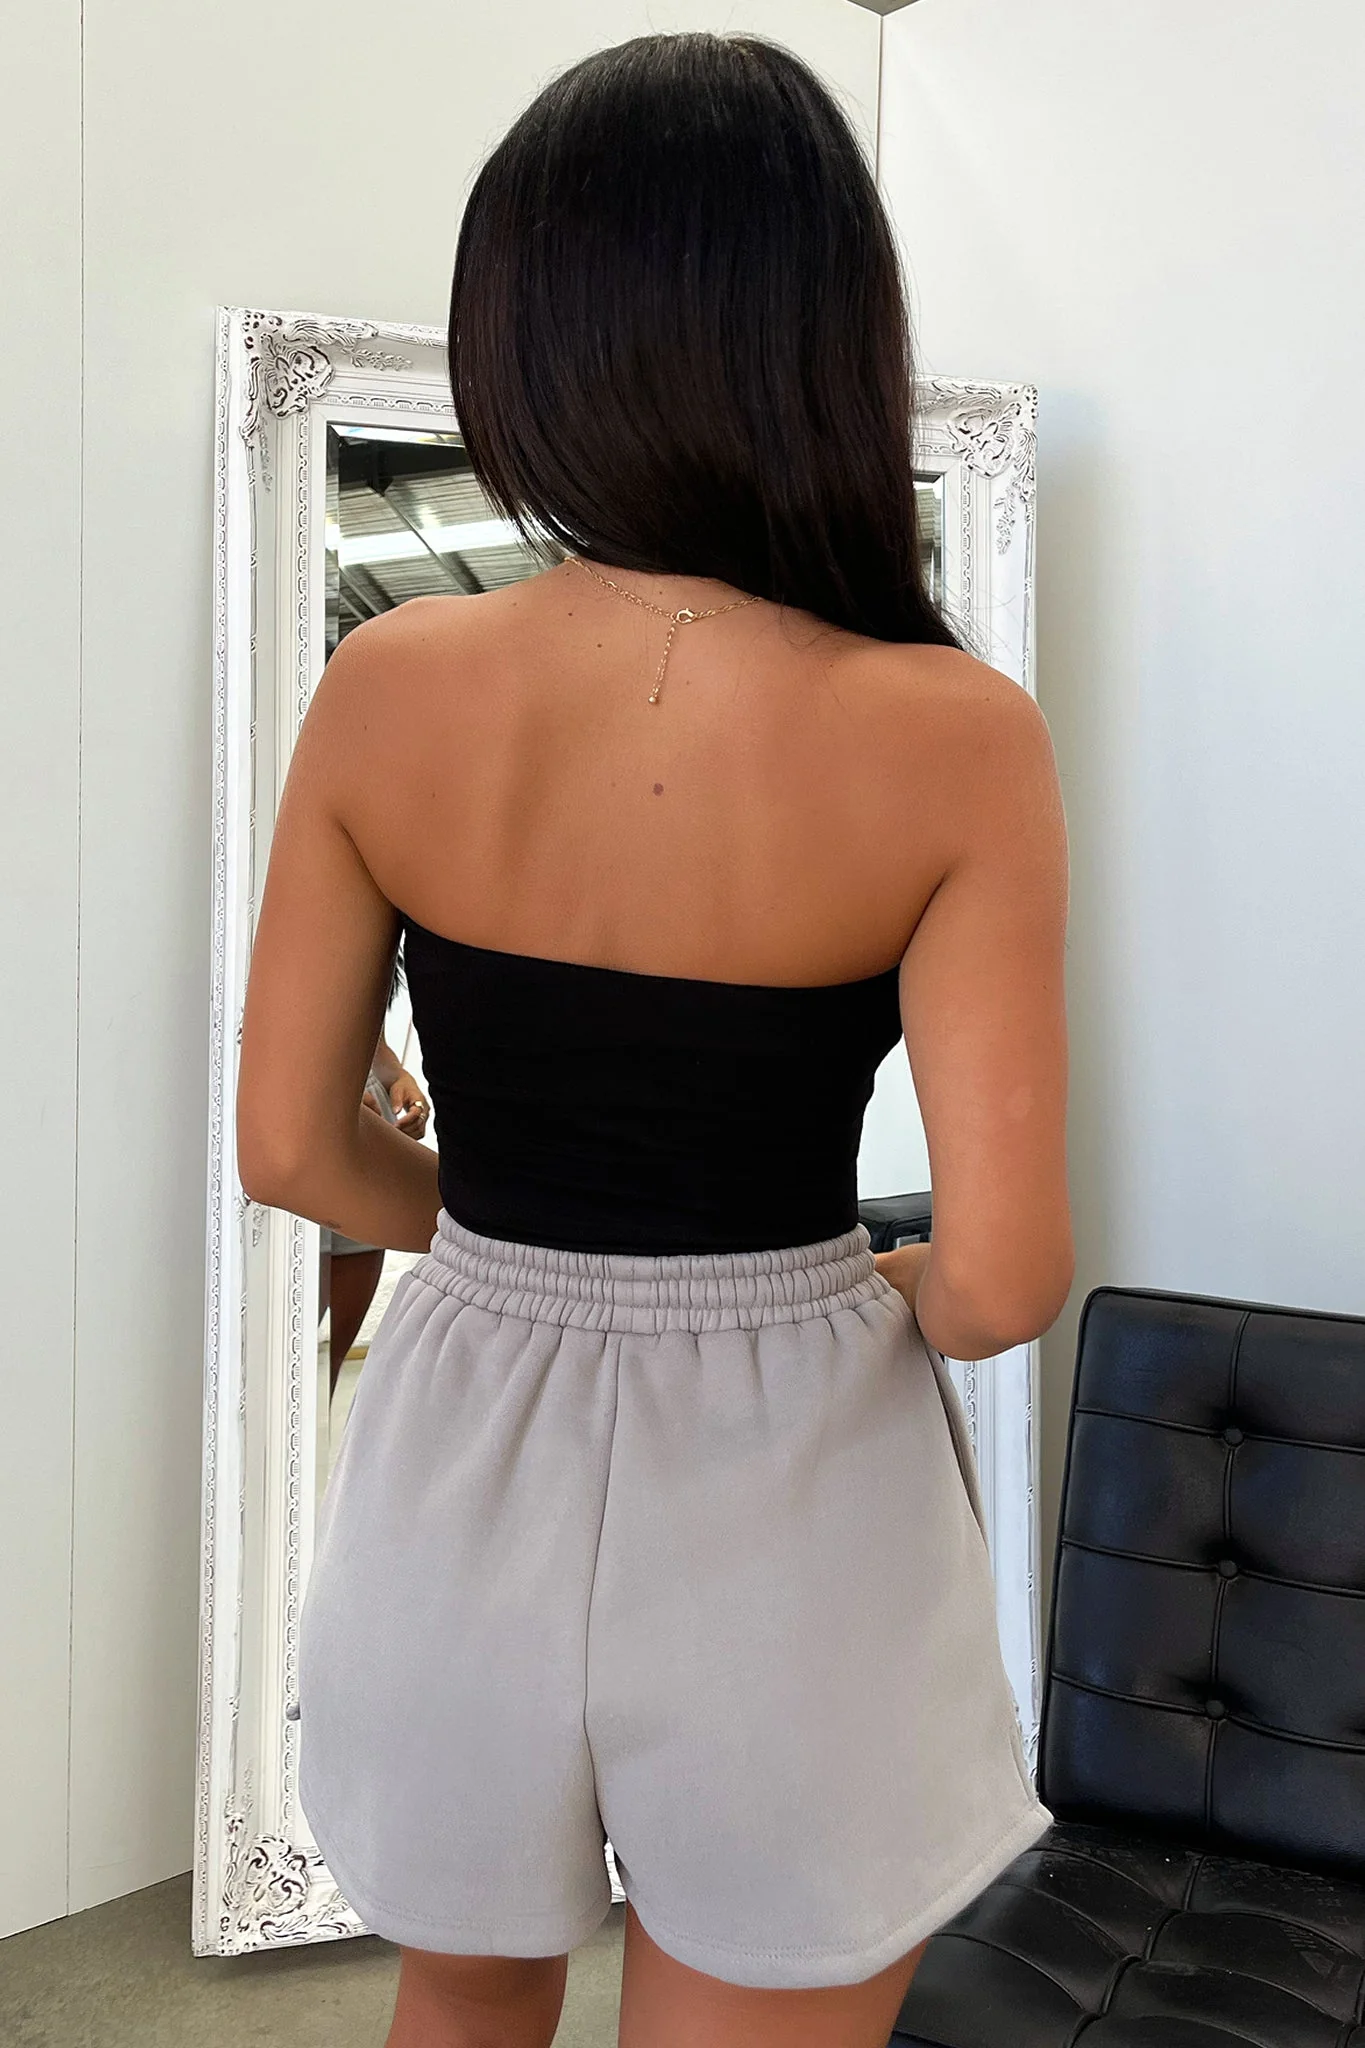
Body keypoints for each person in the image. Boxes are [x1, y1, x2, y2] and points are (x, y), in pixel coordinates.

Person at [235, 30, 1073, 2048]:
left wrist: (499, 1235)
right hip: (792, 1474)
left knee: (458, 1995)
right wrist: (861, 1292)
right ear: (826, 334)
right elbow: (1001, 1276)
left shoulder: (390, 684)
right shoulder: (955, 736)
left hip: (460, 1435)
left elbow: (291, 1150)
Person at [318, 1033, 429, 1400]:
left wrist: (397, 1076)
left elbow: (371, 1038)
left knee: (325, 1375)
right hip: (299, 1122)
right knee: (274, 1354)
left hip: (366, 1122)